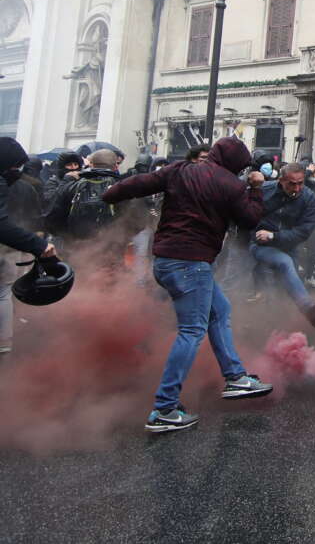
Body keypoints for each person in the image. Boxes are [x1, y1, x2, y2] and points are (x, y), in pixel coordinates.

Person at [103, 136, 273, 434]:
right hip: (190, 263)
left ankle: (235, 377)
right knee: (192, 331)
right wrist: (256, 190)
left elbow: (140, 183)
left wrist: (110, 194)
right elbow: (249, 219)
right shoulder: (231, 185)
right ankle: (164, 409)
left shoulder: (179, 169)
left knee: (219, 311)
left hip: (168, 260)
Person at [249, 163, 315, 326]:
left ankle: (273, 328)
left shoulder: (309, 198)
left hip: (289, 246)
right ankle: (310, 311)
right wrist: (249, 180)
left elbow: (303, 232)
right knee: (283, 264)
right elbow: (240, 202)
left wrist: (273, 236)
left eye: (300, 183)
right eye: (292, 184)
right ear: (281, 180)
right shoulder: (265, 190)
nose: (297, 188)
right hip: (259, 245)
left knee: (284, 291)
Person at [0, 138, 59, 356]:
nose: (16, 171)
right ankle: (5, 342)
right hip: (14, 245)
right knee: (5, 292)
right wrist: (38, 243)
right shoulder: (25, 186)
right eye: (14, 166)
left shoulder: (20, 185)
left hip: (15, 244)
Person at [42, 148, 125, 255]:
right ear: (116, 166)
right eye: (69, 165)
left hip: (76, 245)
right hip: (110, 246)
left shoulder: (73, 185)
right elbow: (133, 218)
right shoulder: (123, 187)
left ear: (91, 164)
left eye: (75, 164)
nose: (73, 168)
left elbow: (53, 214)